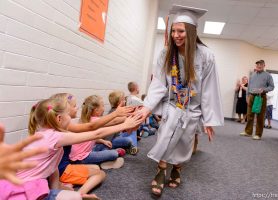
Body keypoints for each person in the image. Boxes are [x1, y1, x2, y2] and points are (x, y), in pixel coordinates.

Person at [137, 5, 224, 196]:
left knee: (184, 142)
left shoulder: (206, 55)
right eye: (174, 31)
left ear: (191, 32)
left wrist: (209, 120)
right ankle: (160, 171)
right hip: (172, 104)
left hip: (192, 108)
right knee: (165, 137)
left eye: (181, 31)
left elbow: (209, 89)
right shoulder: (166, 54)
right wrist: (147, 107)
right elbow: (159, 83)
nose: (176, 35)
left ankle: (177, 169)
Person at [0, 98, 142, 200]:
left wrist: (56, 192)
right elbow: (95, 133)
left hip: (23, 182)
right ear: (59, 118)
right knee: (74, 196)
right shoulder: (55, 137)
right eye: (69, 113)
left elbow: (53, 169)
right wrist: (124, 125)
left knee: (69, 191)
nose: (72, 116)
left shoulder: (43, 134)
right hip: (21, 190)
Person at [69, 95, 125, 168]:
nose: (104, 108)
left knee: (105, 145)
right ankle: (101, 162)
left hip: (87, 152)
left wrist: (102, 141)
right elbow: (114, 121)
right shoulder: (95, 120)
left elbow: (90, 138)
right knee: (114, 154)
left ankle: (101, 161)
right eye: (103, 106)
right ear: (96, 110)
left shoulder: (85, 119)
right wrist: (132, 116)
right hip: (81, 158)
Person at [240, 60, 274, 140]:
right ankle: (248, 132)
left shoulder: (268, 75)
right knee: (249, 115)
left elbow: (272, 87)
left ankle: (258, 134)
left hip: (261, 96)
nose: (259, 66)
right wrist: (247, 96)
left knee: (260, 116)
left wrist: (264, 90)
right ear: (256, 66)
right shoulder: (252, 75)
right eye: (258, 64)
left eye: (261, 64)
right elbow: (249, 87)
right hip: (251, 96)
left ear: (264, 65)